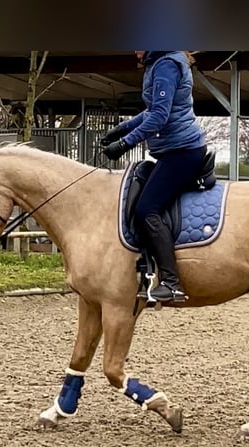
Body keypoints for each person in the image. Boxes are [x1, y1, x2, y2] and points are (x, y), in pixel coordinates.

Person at [101, 51, 207, 303]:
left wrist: (125, 144)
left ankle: (171, 283)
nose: (135, 50)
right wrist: (120, 129)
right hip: (171, 151)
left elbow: (160, 116)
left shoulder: (166, 65)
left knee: (146, 209)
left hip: (182, 152)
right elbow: (151, 111)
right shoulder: (158, 63)